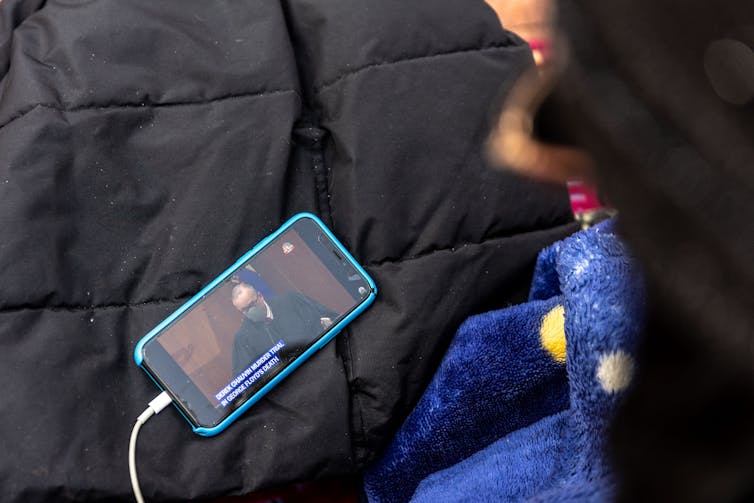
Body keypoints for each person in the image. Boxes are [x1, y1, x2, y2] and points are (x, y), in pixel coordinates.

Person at [230, 282, 337, 377]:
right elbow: (244, 379)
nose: (250, 312)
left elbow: (331, 318)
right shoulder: (243, 339)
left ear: (260, 296)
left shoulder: (291, 301)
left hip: (325, 361)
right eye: (244, 310)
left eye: (251, 305)